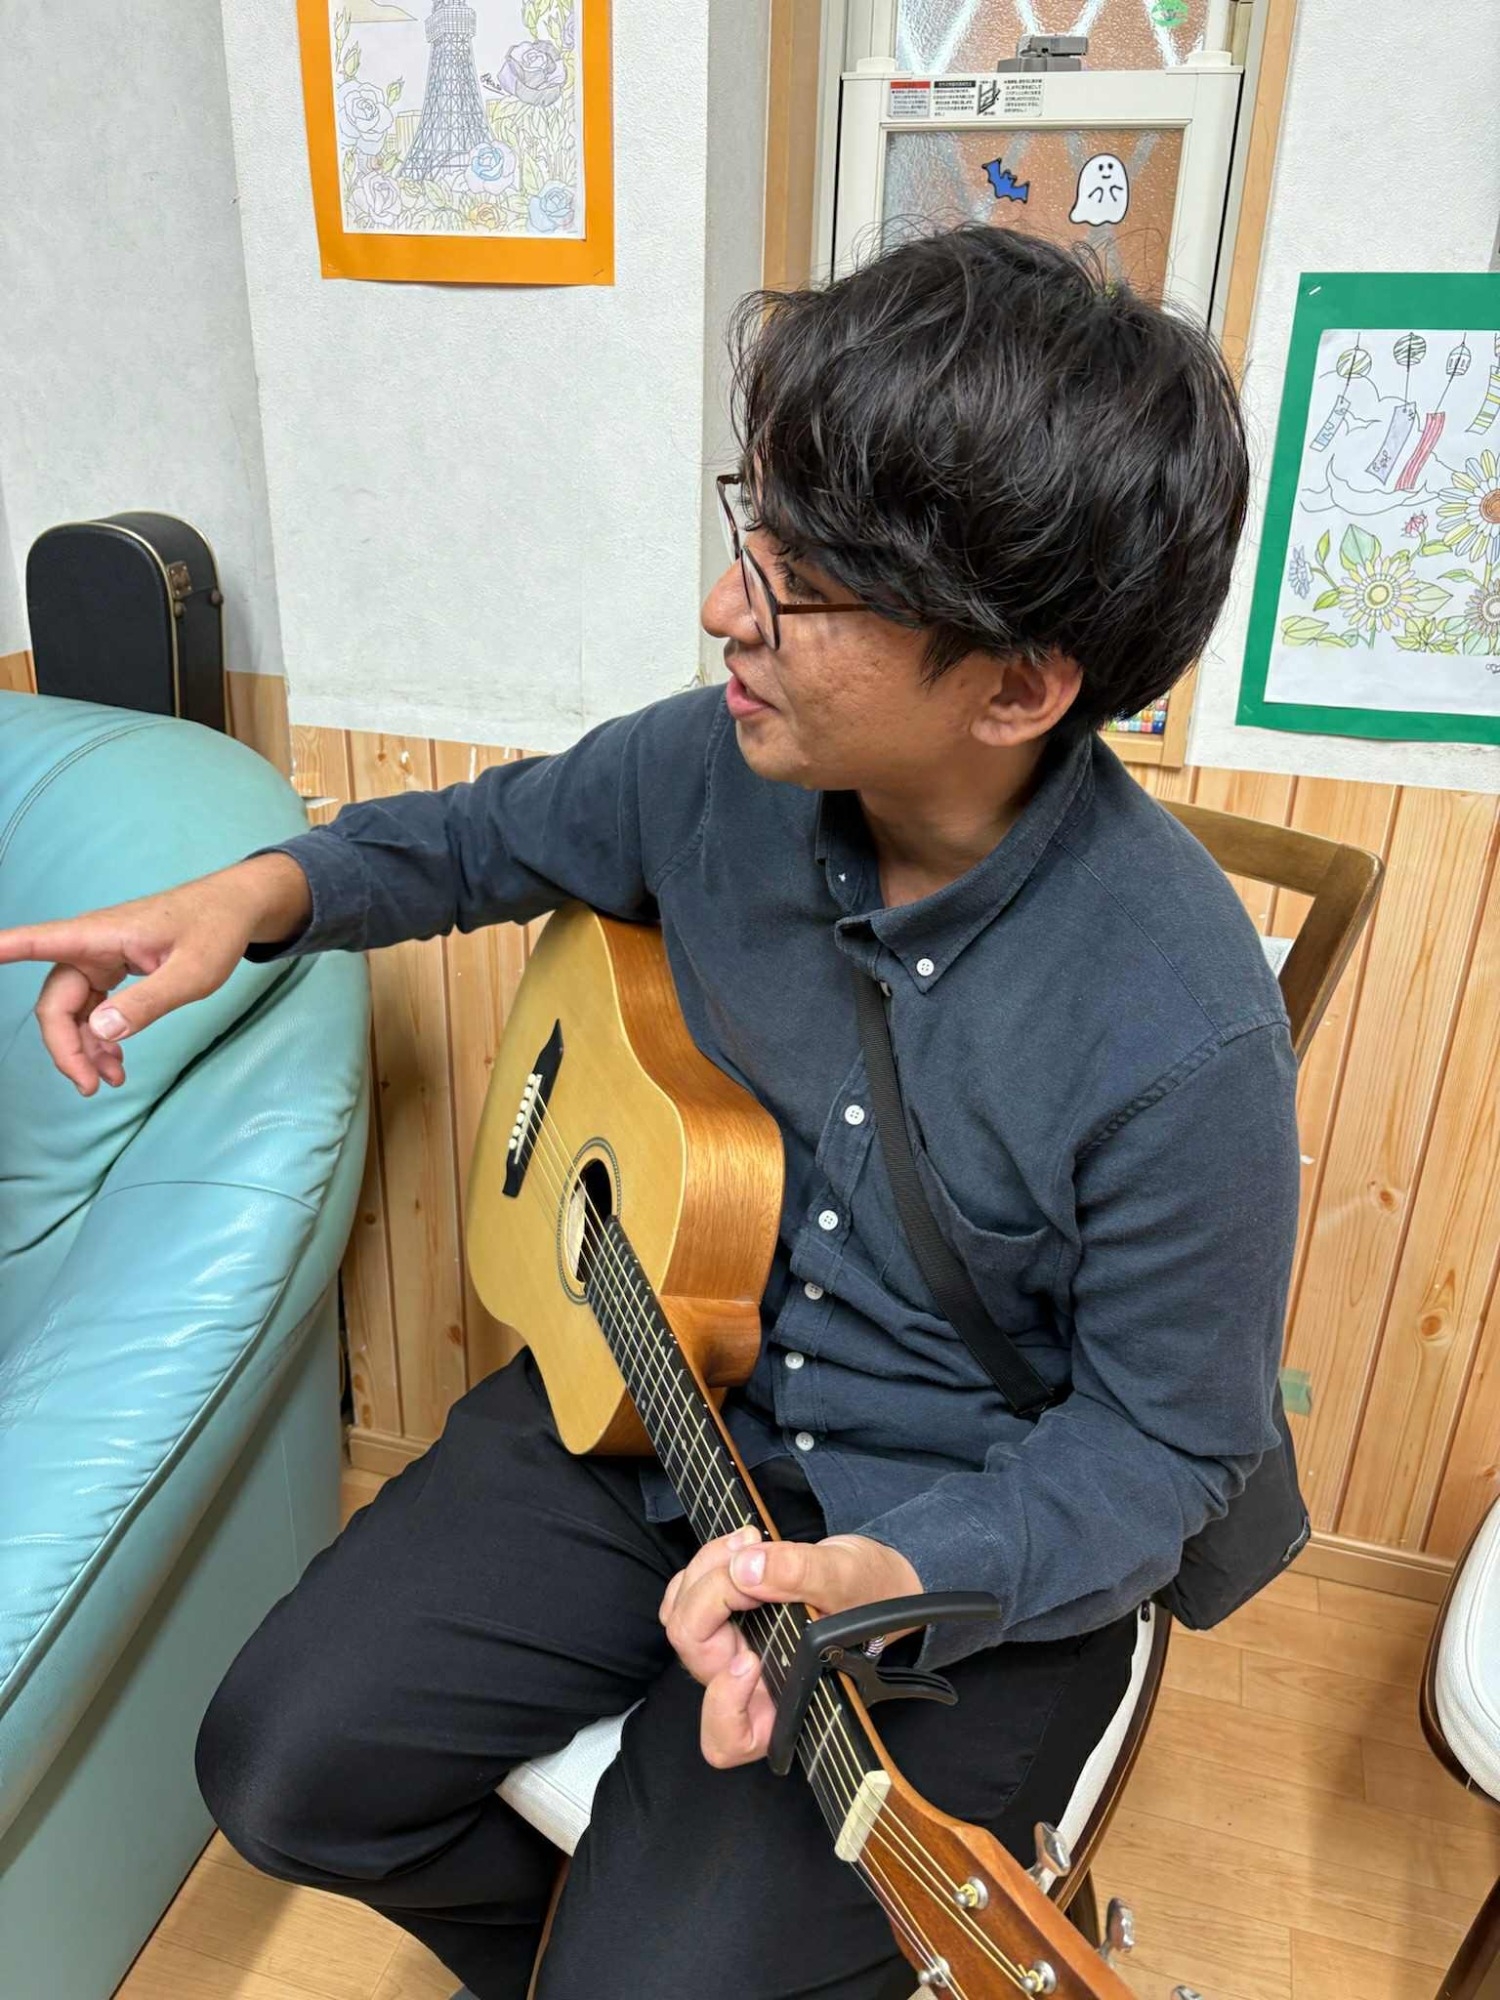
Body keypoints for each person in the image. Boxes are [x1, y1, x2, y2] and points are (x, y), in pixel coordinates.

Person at [0, 226, 1300, 2000]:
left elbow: (1162, 1450)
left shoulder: (1183, 1031)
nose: (725, 611)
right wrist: (255, 893)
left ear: (1016, 687)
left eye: (805, 587)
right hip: (654, 1406)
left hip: (943, 1549)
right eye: (756, 532)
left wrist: (889, 1565)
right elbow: (474, 839)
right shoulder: (716, 767)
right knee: (279, 1768)